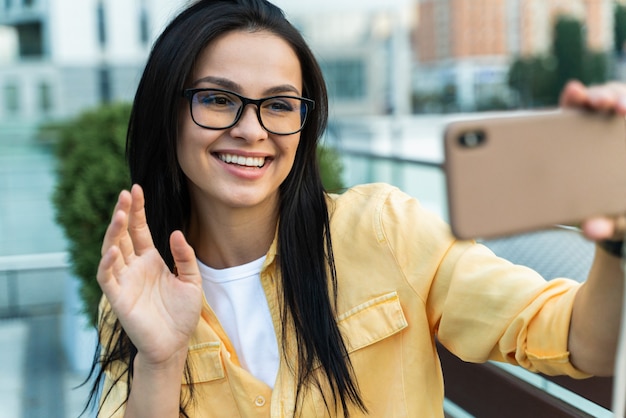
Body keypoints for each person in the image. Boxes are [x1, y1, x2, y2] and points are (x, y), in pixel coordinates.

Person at [87, 0, 626, 417]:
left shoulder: (384, 231)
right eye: (218, 99)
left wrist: (616, 242)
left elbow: (582, 342)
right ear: (169, 112)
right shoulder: (140, 292)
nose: (251, 130)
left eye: (278, 105)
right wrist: (159, 362)